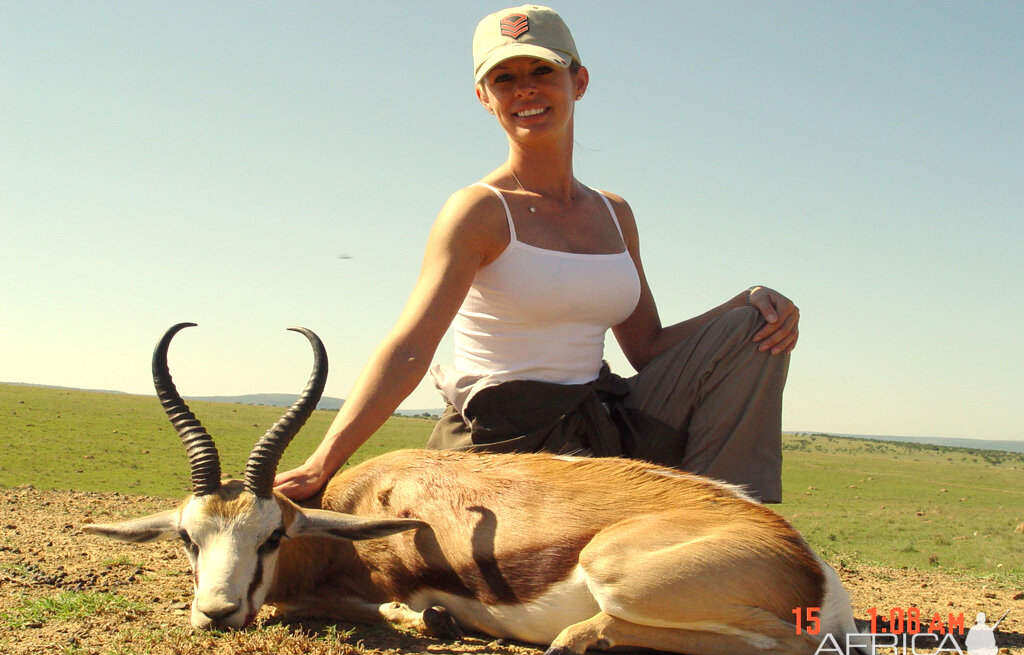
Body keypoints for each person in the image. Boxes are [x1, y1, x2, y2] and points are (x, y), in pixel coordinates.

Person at [274, 4, 799, 504]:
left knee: (755, 324)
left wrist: (739, 304)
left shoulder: (615, 213)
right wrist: (323, 462)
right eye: (504, 78)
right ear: (484, 96)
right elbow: (411, 345)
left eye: (542, 70)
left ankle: (724, 521)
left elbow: (648, 348)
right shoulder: (479, 210)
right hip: (505, 432)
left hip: (599, 421)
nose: (525, 88)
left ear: (579, 81)